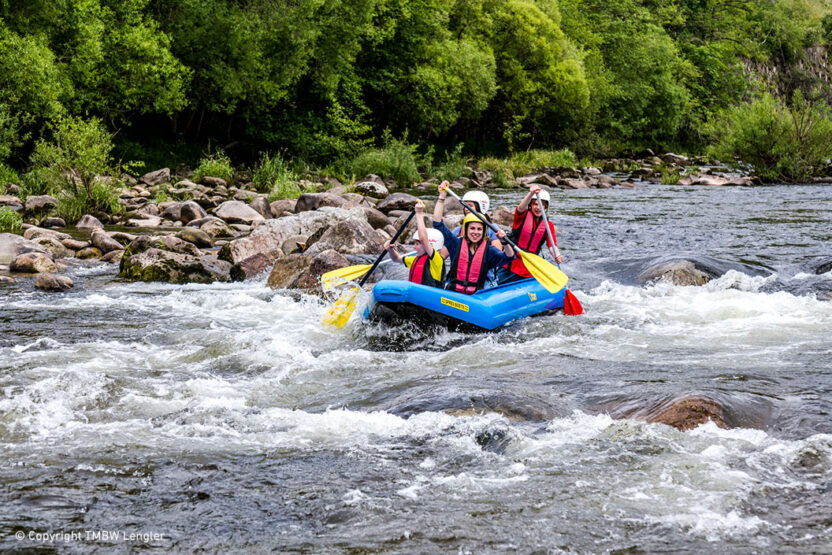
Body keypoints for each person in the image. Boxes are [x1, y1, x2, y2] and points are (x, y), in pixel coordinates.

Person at [433, 182, 515, 295]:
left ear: (484, 232)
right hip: (457, 285)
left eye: (479, 229)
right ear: (466, 230)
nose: (475, 232)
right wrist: (441, 197)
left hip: (481, 284)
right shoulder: (456, 241)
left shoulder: (489, 246)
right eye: (472, 229)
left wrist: (504, 242)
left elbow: (508, 256)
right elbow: (437, 224)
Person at [496, 185, 563, 284]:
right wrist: (531, 193)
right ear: (530, 205)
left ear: (545, 207)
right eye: (535, 204)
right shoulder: (521, 216)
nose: (538, 207)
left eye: (541, 205)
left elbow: (552, 245)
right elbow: (520, 207)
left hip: (529, 266)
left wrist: (557, 255)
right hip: (511, 263)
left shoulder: (549, 225)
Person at [384, 201, 445, 288]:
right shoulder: (415, 260)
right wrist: (390, 250)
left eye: (417, 244)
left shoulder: (437, 261)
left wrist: (419, 213)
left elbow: (423, 239)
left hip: (430, 298)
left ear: (431, 245)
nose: (414, 247)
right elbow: (396, 258)